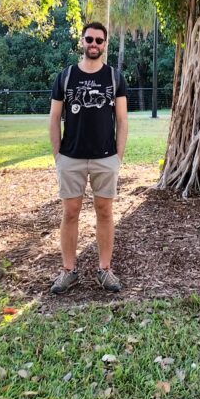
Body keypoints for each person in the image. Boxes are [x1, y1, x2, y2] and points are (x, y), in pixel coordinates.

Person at [48, 21, 128, 294]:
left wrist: (118, 156)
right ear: (82, 42)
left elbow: (122, 120)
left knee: (105, 212)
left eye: (99, 41)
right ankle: (68, 271)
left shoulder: (115, 78)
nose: (94, 44)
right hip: (71, 158)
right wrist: (58, 156)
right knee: (70, 213)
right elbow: (55, 118)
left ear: (105, 45)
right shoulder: (66, 76)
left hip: (105, 158)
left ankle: (104, 270)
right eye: (89, 39)